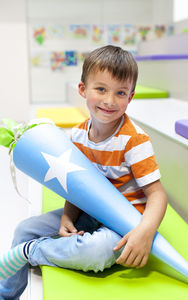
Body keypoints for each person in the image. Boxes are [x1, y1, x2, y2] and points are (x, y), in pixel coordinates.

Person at [0, 45, 167, 299]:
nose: (110, 100)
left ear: (130, 97)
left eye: (120, 93)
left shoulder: (135, 141)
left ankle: (31, 252)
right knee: (24, 228)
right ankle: (7, 294)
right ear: (82, 90)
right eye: (101, 89)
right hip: (88, 213)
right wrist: (68, 215)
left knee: (96, 253)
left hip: (124, 223)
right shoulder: (77, 135)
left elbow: (157, 196)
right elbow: (76, 184)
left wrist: (145, 232)